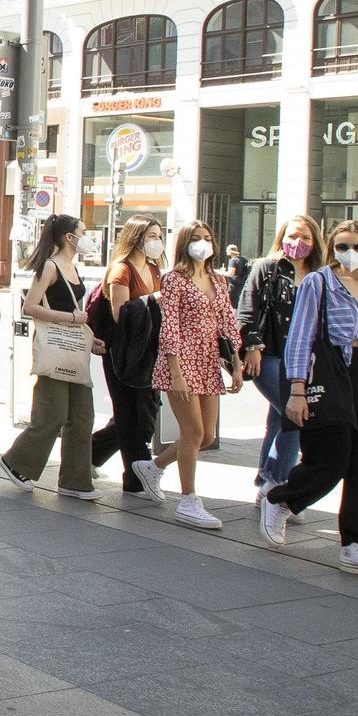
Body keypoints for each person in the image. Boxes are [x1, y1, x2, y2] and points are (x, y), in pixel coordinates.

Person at [258, 220, 358, 580]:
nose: (350, 253)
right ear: (332, 248)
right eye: (342, 246)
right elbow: (300, 337)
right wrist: (296, 389)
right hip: (328, 370)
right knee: (332, 457)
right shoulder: (317, 282)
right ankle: (282, 499)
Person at [135, 220, 242, 530]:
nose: (202, 243)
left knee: (206, 435)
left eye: (207, 237)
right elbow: (169, 327)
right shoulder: (174, 280)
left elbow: (227, 323)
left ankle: (153, 467)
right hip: (180, 362)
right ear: (185, 243)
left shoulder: (218, 280)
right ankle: (189, 500)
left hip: (208, 362)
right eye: (196, 238)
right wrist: (176, 371)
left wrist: (236, 362)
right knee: (193, 432)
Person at [0, 215, 97, 500]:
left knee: (82, 415)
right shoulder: (51, 267)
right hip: (54, 344)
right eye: (83, 232)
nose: (87, 237)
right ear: (70, 237)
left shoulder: (72, 266)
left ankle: (76, 481)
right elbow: (30, 306)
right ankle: (16, 462)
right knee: (52, 412)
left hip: (73, 345)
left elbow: (75, 311)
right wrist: (70, 318)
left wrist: (90, 336)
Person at [235, 214, 323, 499]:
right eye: (292, 235)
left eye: (305, 237)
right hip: (269, 354)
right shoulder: (267, 267)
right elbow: (247, 310)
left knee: (279, 420)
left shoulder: (320, 274)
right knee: (295, 414)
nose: (298, 242)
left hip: (303, 360)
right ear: (282, 237)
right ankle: (277, 482)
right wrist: (252, 346)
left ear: (315, 241)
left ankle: (265, 479)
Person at [89, 217, 166, 496]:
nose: (156, 241)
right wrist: (154, 300)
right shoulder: (121, 270)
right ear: (136, 238)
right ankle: (135, 478)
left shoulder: (154, 268)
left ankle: (89, 453)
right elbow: (121, 314)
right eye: (151, 236)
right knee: (129, 414)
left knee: (143, 413)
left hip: (147, 350)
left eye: (159, 235)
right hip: (122, 353)